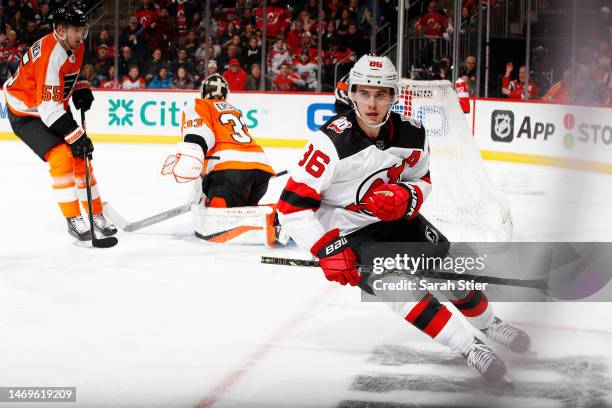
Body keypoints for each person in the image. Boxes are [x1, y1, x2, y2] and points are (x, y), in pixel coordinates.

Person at [277, 54, 531, 383]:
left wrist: (407, 197)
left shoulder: (412, 133)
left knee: (450, 272)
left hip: (396, 220)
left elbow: (422, 180)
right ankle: (470, 347)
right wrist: (327, 248)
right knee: (401, 290)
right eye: (364, 93)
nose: (372, 103)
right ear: (351, 93)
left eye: (381, 94)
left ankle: (491, 325)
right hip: (349, 234)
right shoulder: (329, 144)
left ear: (394, 96)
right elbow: (291, 207)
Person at [3, 2, 117, 241]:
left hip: (49, 106)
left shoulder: (74, 43)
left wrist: (80, 87)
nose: (81, 34)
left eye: (82, 29)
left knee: (81, 156)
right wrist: (76, 136)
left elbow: (68, 73)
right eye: (76, 30)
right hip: (25, 112)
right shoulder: (51, 55)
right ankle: (73, 219)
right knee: (62, 155)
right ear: (61, 29)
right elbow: (48, 109)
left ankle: (95, 213)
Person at [162, 74, 277, 245]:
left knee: (218, 219)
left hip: (229, 171)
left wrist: (191, 157)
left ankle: (271, 220)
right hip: (260, 170)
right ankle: (276, 216)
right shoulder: (233, 110)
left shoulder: (199, 104)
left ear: (203, 92)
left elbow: (200, 133)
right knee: (241, 209)